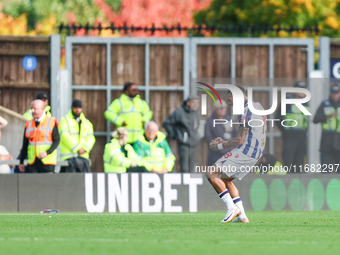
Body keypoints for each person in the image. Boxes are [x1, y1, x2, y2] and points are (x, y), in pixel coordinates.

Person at [207, 86, 266, 223]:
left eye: (230, 99)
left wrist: (220, 145)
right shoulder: (258, 105)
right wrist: (226, 141)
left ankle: (231, 208)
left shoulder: (245, 111)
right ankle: (242, 216)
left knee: (211, 173)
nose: (229, 103)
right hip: (256, 152)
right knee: (226, 179)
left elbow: (240, 140)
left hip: (246, 151)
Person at [275, 81, 310, 171]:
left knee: (299, 163)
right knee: (289, 162)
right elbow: (278, 118)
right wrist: (285, 132)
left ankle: (298, 184)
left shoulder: (306, 103)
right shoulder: (287, 102)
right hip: (290, 137)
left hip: (302, 137)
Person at [19, 100, 59, 173]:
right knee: (33, 184)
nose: (32, 111)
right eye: (32, 108)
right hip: (32, 162)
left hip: (47, 162)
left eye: (35, 108)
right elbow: (25, 144)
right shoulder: (29, 124)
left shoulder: (51, 122)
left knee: (47, 183)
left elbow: (57, 140)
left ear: (42, 109)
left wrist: (47, 152)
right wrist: (21, 161)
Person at [162, 95, 201, 173]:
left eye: (197, 103)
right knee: (184, 168)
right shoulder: (179, 112)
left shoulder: (196, 113)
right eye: (194, 102)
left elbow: (197, 126)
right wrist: (174, 135)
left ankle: (191, 184)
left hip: (194, 143)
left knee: (192, 167)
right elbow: (166, 123)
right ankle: (184, 184)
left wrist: (197, 137)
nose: (196, 104)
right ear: (188, 102)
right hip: (184, 144)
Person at [59, 100, 96, 173]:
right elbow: (64, 135)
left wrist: (85, 148)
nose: (77, 110)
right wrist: (77, 148)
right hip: (69, 157)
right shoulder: (65, 120)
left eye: (79, 108)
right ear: (71, 108)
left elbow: (91, 137)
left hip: (83, 158)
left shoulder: (86, 122)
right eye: (75, 107)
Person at [313, 84, 340, 171]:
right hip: (326, 143)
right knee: (326, 170)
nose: (335, 95)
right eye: (333, 93)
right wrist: (326, 116)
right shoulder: (324, 104)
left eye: (337, 93)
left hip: (338, 141)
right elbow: (315, 119)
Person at [204, 100, 237, 166]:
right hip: (216, 154)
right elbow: (208, 137)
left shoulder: (229, 119)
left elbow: (236, 133)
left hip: (230, 153)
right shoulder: (210, 121)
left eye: (224, 108)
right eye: (220, 108)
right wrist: (218, 146)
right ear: (215, 109)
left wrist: (232, 145)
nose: (222, 109)